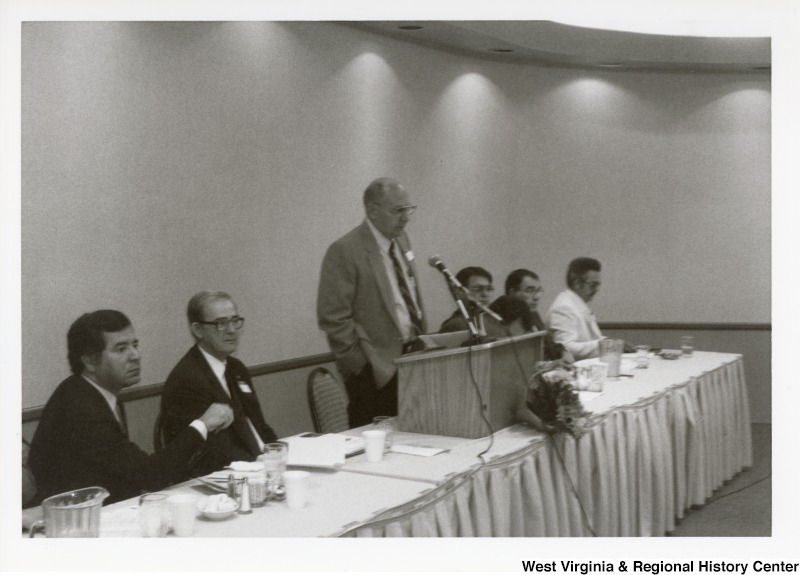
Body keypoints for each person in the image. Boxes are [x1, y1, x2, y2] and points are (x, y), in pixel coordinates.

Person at [28, 310, 234, 505]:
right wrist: (203, 424)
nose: (135, 355)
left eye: (135, 345)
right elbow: (150, 475)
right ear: (90, 361)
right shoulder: (82, 408)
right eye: (121, 349)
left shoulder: (83, 391)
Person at [317, 177, 427, 427]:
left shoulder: (402, 241)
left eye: (409, 209)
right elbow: (332, 317)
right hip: (375, 370)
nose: (406, 217)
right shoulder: (345, 250)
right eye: (398, 210)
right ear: (373, 211)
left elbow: (407, 294)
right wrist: (361, 366)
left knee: (414, 438)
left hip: (413, 359)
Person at [161, 291, 278, 476]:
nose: (232, 330)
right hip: (220, 479)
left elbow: (260, 426)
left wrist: (279, 453)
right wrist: (261, 466)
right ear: (198, 330)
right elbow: (215, 452)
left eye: (235, 321)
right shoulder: (187, 380)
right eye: (221, 323)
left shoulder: (237, 369)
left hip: (260, 468)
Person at [505, 269, 573, 363]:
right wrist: (551, 364)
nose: (536, 297)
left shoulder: (533, 315)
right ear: (512, 293)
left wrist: (563, 352)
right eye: (529, 290)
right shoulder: (504, 322)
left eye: (538, 290)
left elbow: (549, 345)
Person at [546, 257, 606, 360]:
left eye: (598, 285)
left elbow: (594, 339)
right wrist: (605, 345)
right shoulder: (563, 307)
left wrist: (614, 343)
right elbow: (566, 348)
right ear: (577, 283)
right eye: (593, 285)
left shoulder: (577, 303)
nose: (597, 289)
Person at [438, 266, 504, 337]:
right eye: (478, 289)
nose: (485, 294)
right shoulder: (455, 325)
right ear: (460, 292)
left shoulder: (495, 321)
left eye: (488, 289)